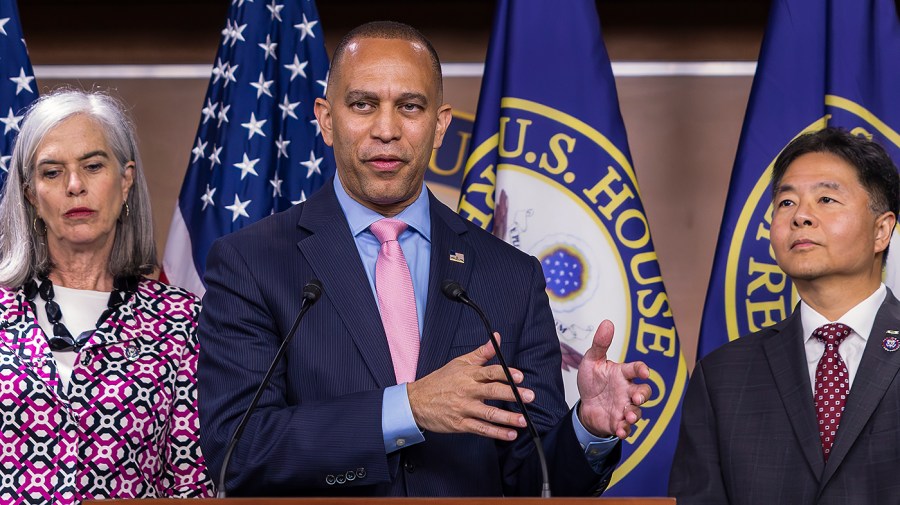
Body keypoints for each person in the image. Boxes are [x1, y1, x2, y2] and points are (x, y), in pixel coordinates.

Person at [198, 21, 650, 497]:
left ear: (439, 126)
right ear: (327, 120)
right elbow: (239, 453)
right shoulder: (250, 262)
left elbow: (537, 479)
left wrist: (588, 429)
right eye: (363, 105)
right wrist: (407, 409)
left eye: (410, 107)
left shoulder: (511, 277)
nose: (387, 130)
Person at [0, 89, 214, 503]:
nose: (75, 186)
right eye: (51, 172)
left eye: (93, 166)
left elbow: (192, 483)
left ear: (126, 178)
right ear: (30, 195)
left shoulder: (181, 320)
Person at [669, 127, 900, 504]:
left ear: (881, 231)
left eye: (826, 199)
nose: (801, 217)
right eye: (786, 202)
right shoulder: (723, 378)